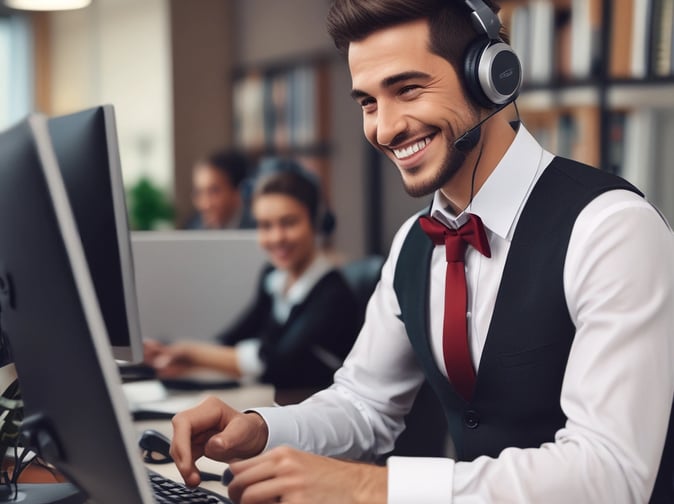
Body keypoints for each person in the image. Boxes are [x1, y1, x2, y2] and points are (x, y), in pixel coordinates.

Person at [169, 1, 674, 503]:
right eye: (368, 102)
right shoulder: (414, 241)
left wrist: (372, 486)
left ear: (490, 76)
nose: (384, 129)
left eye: (407, 89)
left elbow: (610, 474)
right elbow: (364, 405)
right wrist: (260, 428)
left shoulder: (611, 229)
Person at [146, 160, 361, 403]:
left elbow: (276, 362)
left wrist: (194, 354)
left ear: (315, 223)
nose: (276, 237)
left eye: (289, 222)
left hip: (318, 415)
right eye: (265, 225)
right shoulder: (273, 277)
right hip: (278, 404)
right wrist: (175, 353)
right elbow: (234, 336)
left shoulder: (333, 293)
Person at [184, 148, 255, 230]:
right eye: (198, 192)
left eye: (214, 191)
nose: (205, 204)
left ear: (237, 192)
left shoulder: (257, 229)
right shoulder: (193, 229)